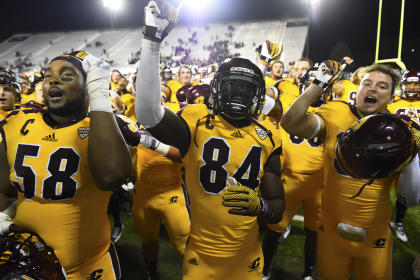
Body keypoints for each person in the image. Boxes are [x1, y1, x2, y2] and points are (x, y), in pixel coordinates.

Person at [135, 1, 285, 279]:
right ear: (216, 90)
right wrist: (152, 39)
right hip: (201, 254)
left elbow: (276, 207)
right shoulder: (197, 120)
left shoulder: (268, 135)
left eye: (245, 90)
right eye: (232, 88)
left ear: (258, 97)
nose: (238, 96)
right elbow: (148, 114)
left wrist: (261, 206)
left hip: (247, 255)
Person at [0, 51, 135, 279]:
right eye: (48, 75)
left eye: (66, 76)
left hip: (88, 264)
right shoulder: (17, 124)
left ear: (87, 85)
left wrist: (100, 95)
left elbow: (113, 176)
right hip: (30, 264)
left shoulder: (104, 128)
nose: (53, 80)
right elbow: (4, 190)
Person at [281, 61, 414, 279]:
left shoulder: (400, 130)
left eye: (381, 86)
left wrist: (413, 156)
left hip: (374, 234)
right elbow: (290, 123)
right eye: (366, 83)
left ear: (391, 98)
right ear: (358, 89)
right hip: (330, 229)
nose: (371, 89)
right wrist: (318, 83)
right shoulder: (337, 113)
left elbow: (410, 195)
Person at [262, 65, 325, 280]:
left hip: (319, 183)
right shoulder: (288, 102)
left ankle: (308, 272)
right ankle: (263, 269)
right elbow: (264, 100)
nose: (316, 88)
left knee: (314, 232)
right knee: (275, 228)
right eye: (312, 82)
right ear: (303, 83)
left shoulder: (335, 109)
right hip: (288, 178)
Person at [387, 69, 420, 243]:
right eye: (409, 84)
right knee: (380, 191)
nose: (413, 87)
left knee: (406, 195)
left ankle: (398, 222)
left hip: (415, 159)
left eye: (416, 84)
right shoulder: (392, 103)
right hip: (392, 156)